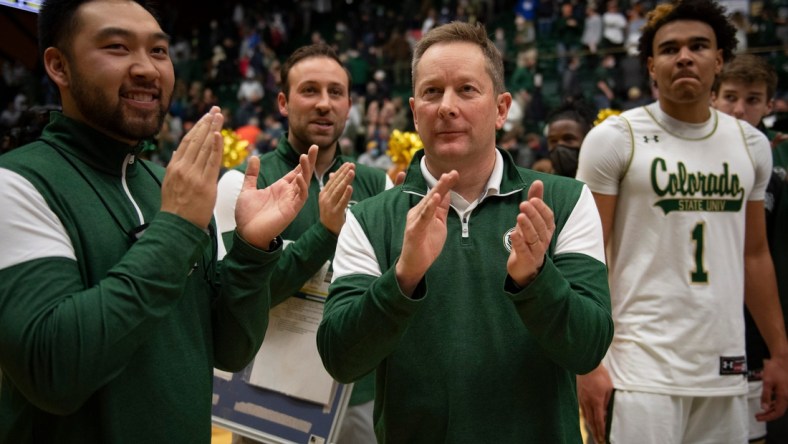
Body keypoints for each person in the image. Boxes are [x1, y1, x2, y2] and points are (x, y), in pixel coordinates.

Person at [0, 1, 317, 442]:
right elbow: (55, 373)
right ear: (59, 66)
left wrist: (251, 249)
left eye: (159, 51)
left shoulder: (168, 183)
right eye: (116, 47)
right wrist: (175, 228)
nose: (147, 69)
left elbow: (229, 348)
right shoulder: (15, 183)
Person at [316, 21, 613, 442]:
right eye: (432, 92)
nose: (447, 106)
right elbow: (341, 359)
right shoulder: (369, 219)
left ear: (501, 107)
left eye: (467, 90)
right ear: (415, 108)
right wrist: (403, 278)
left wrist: (536, 280)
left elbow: (588, 349)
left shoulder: (565, 201)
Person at [575, 1, 788, 443]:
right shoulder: (615, 138)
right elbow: (585, 256)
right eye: (670, 49)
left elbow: (755, 254)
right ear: (652, 66)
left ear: (720, 59)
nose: (685, 56)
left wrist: (779, 351)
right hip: (638, 370)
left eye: (698, 46)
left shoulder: (752, 146)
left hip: (725, 365)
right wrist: (589, 361)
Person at [214, 43, 391, 444]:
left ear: (349, 104)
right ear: (283, 101)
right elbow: (240, 298)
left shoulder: (377, 186)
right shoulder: (241, 185)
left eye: (335, 92)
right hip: (264, 396)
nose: (324, 104)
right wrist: (324, 233)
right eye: (309, 90)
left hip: (354, 394)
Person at [711, 53, 788, 444]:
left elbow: (765, 258)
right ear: (713, 98)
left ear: (770, 106)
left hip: (751, 332)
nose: (740, 110)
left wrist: (779, 348)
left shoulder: (776, 180)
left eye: (753, 100)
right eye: (730, 97)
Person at [544, 99, 597, 178]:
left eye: (568, 139)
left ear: (587, 139)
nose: (559, 145)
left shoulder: (604, 182)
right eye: (553, 141)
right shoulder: (543, 185)